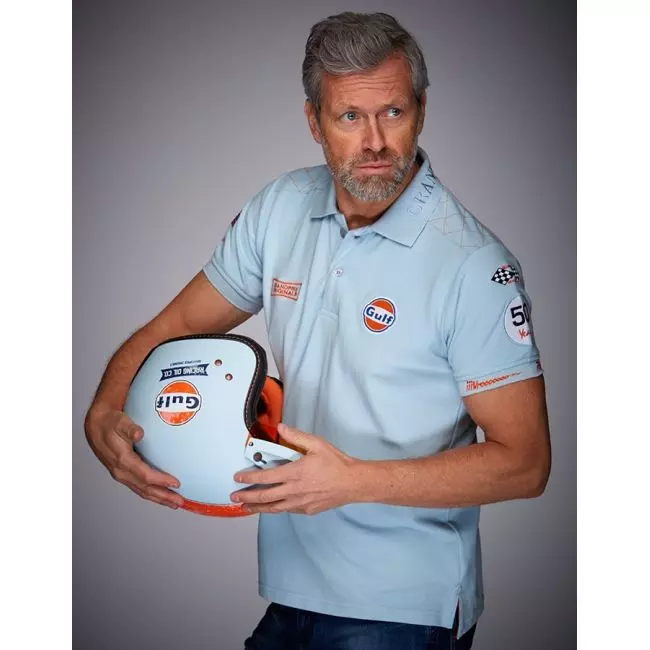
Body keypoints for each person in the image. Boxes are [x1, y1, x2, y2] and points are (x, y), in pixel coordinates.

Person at [84, 11, 551, 650]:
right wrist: (104, 410)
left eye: (392, 112)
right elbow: (176, 327)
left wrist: (352, 480)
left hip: (403, 608)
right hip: (292, 591)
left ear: (421, 111)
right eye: (349, 116)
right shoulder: (280, 210)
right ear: (314, 122)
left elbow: (526, 463)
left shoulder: (471, 264)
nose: (375, 141)